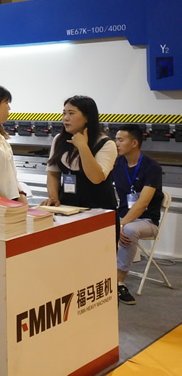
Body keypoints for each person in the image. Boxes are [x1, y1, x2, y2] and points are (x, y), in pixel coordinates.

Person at [113, 124, 164, 305]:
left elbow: (142, 204)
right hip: (123, 217)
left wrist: (120, 225)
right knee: (95, 226)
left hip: (147, 220)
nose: (116, 143)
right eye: (116, 139)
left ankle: (119, 283)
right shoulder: (117, 163)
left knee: (129, 230)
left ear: (134, 143)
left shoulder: (152, 167)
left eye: (120, 140)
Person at [42, 96, 117, 210]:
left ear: (87, 117)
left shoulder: (106, 144)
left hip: (99, 209)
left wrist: (82, 146)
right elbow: (53, 173)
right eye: (64, 113)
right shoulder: (59, 140)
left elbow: (96, 178)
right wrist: (53, 197)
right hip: (67, 207)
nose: (65, 118)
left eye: (71, 113)